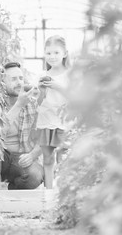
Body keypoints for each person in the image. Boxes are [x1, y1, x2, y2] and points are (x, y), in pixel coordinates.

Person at [0, 62, 44, 190]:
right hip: (0, 158)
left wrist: (32, 155)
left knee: (36, 176)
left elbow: (43, 136)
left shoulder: (32, 104)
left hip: (20, 158)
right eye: (13, 79)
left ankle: (13, 191)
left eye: (21, 78)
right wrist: (18, 105)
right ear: (2, 82)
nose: (19, 82)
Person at [37, 35, 70, 189]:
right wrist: (41, 90)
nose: (52, 56)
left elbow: (75, 96)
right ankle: (48, 192)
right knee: (47, 159)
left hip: (64, 121)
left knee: (64, 157)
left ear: (65, 53)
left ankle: (63, 190)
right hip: (46, 120)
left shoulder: (69, 74)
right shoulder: (43, 75)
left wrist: (57, 86)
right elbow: (40, 101)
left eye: (56, 52)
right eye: (48, 53)